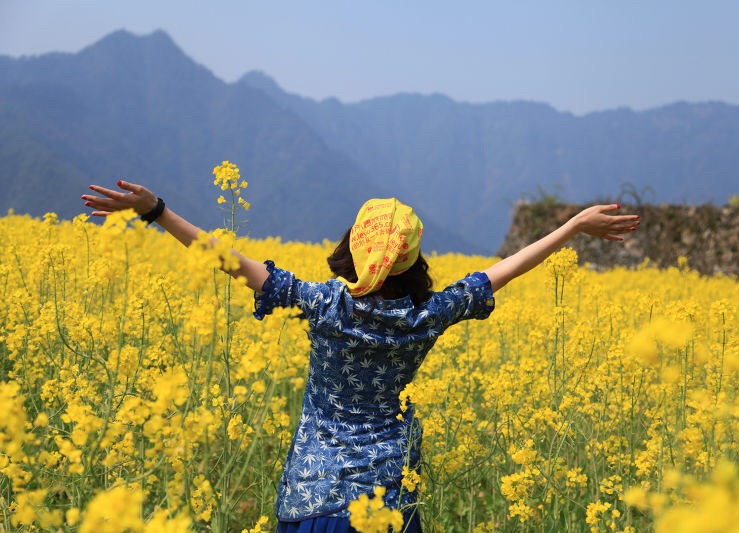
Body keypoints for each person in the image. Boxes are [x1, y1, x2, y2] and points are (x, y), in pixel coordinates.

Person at [82, 180, 640, 533]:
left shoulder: (323, 306)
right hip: (389, 503)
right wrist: (572, 227)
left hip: (313, 500)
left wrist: (156, 211)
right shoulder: (429, 315)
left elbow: (225, 258)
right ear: (412, 260)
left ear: (352, 248)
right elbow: (507, 269)